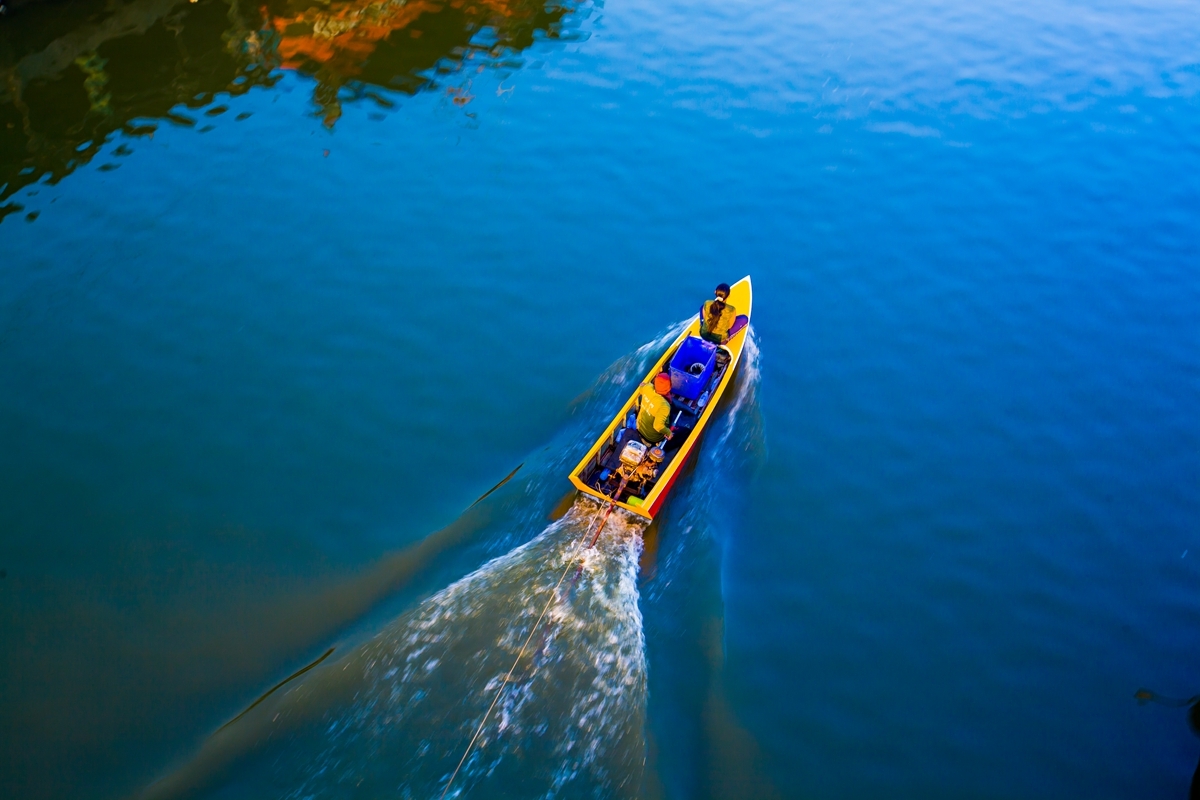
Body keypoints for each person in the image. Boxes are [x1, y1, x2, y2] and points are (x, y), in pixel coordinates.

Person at [634, 372, 674, 444]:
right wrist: (669, 433)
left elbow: (641, 386)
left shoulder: (648, 388)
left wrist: (644, 386)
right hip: (652, 438)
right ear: (669, 388)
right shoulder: (664, 406)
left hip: (639, 427)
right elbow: (658, 426)